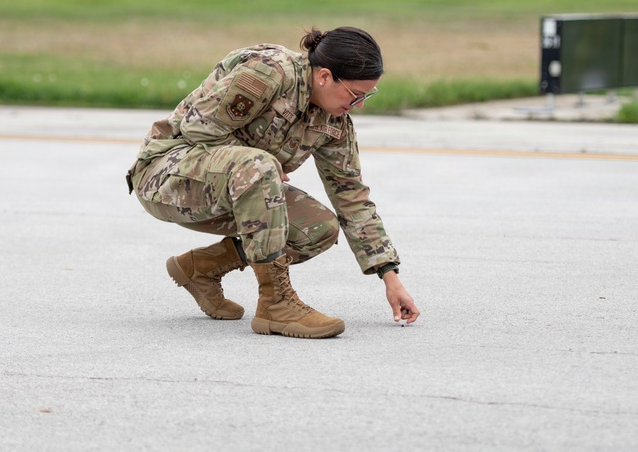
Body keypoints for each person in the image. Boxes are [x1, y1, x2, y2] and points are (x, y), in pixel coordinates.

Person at [126, 26, 420, 339]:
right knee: (260, 167)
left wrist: (390, 276)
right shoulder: (269, 73)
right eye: (356, 94)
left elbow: (351, 198)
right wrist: (255, 162)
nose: (360, 105)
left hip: (234, 185)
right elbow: (198, 128)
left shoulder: (334, 119)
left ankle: (201, 268)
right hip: (165, 175)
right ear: (324, 76)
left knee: (318, 228)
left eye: (367, 95)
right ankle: (276, 304)